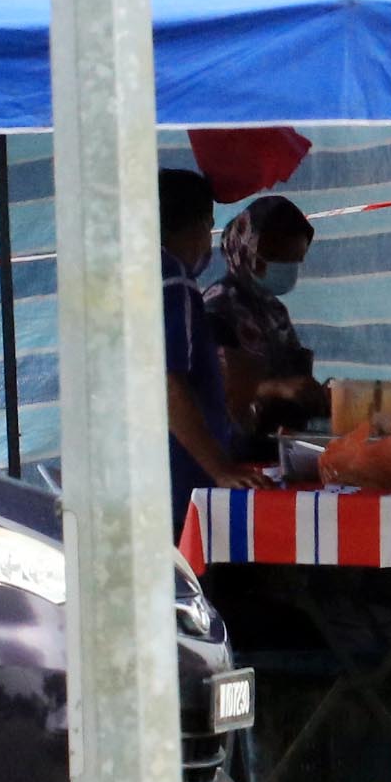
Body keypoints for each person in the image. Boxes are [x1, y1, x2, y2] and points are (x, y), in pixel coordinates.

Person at [160, 168, 262, 537]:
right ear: (201, 224)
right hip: (176, 485)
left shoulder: (125, 274)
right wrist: (221, 468)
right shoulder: (173, 281)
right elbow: (167, 384)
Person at [204, 194, 328, 440]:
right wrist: (278, 389)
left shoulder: (274, 310)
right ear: (246, 248)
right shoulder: (218, 307)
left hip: (279, 437)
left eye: (295, 260)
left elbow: (293, 374)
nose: (287, 268)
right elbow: (213, 389)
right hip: (235, 448)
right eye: (277, 257)